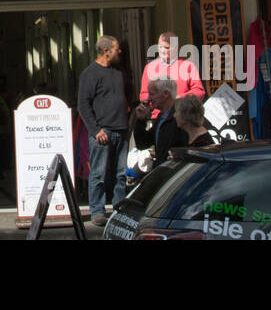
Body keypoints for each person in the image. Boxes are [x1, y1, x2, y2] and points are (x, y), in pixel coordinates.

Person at [77, 35, 130, 226]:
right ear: (106, 51)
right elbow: (83, 105)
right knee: (98, 173)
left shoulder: (119, 72)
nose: (120, 51)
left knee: (121, 173)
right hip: (102, 131)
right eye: (117, 48)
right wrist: (95, 130)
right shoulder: (90, 74)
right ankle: (97, 211)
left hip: (122, 129)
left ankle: (119, 209)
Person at [139, 31, 205, 116]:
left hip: (183, 115)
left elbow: (199, 92)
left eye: (166, 47)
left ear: (175, 48)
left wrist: (178, 98)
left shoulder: (188, 66)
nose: (162, 50)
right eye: (160, 47)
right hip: (158, 117)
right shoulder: (149, 68)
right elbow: (144, 95)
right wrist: (157, 101)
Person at [131, 77, 187, 168]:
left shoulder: (181, 117)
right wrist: (141, 120)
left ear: (165, 94)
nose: (149, 98)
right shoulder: (161, 117)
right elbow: (142, 144)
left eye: (152, 94)